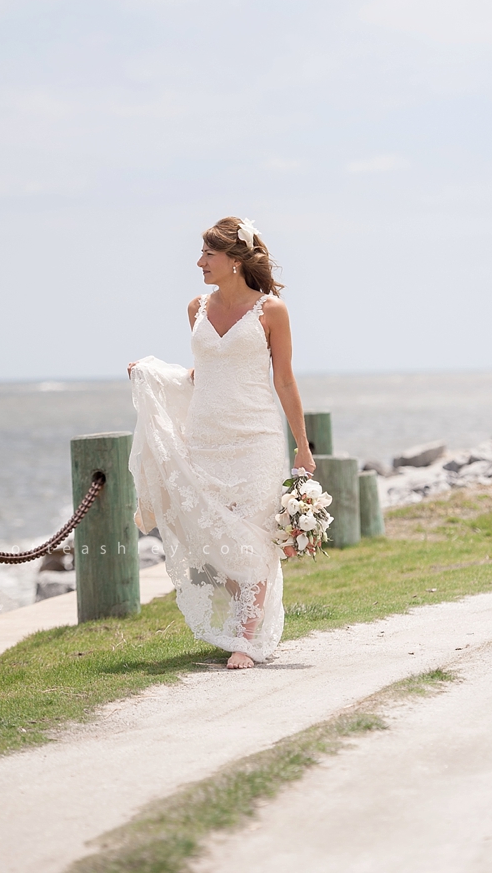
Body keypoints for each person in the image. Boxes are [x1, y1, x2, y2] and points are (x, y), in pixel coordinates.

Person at [127, 217, 315, 669]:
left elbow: (285, 381)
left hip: (257, 437)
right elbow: (201, 374)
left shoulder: (272, 311)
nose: (199, 263)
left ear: (234, 260)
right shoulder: (196, 308)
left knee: (252, 538)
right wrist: (153, 375)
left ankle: (245, 641)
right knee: (216, 536)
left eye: (208, 255)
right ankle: (242, 623)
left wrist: (303, 447)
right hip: (206, 437)